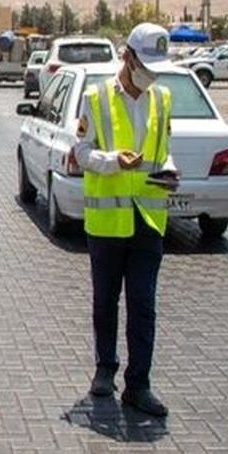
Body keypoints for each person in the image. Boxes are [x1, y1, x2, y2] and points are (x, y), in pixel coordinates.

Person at [72, 22, 179, 418]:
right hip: (107, 222)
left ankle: (139, 385)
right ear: (128, 57)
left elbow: (164, 150)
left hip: (148, 218)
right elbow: (80, 151)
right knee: (105, 301)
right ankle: (105, 369)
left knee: (143, 304)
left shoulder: (162, 99)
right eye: (144, 65)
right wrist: (111, 161)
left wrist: (169, 171)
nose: (149, 75)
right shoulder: (97, 97)